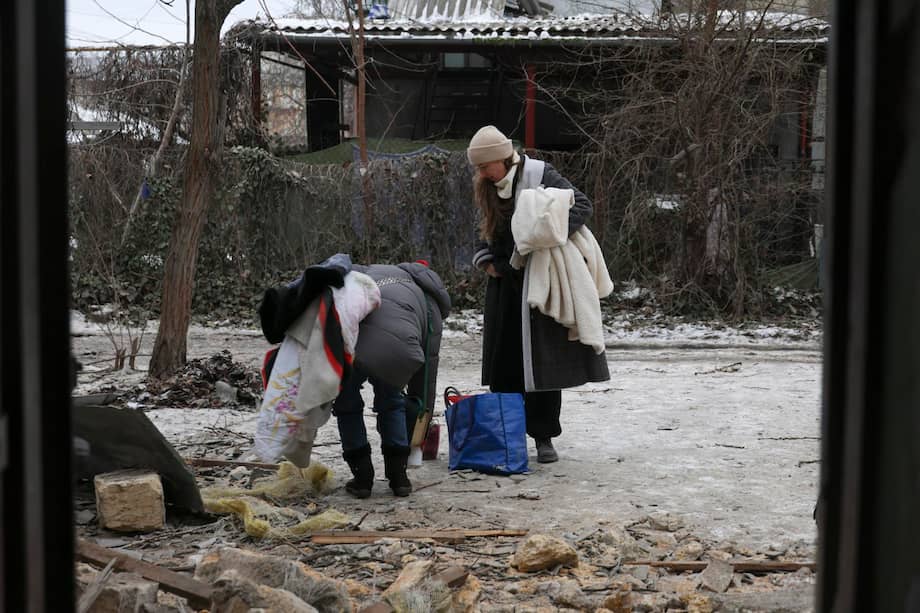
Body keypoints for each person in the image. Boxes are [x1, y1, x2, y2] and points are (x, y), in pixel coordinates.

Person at [468, 125, 610, 464]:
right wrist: (486, 262)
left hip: (539, 282)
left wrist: (544, 235)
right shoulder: (486, 187)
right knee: (506, 362)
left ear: (502, 158)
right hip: (504, 285)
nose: (483, 173)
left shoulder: (540, 175)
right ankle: (508, 435)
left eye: (486, 166)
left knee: (541, 365)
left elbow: (581, 206)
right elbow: (482, 230)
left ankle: (544, 436)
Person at [333, 260, 451, 498]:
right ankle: (399, 478)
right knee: (392, 400)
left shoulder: (365, 272)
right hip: (397, 349)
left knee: (347, 403)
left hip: (353, 338)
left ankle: (362, 477)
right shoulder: (429, 303)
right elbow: (428, 369)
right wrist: (420, 414)